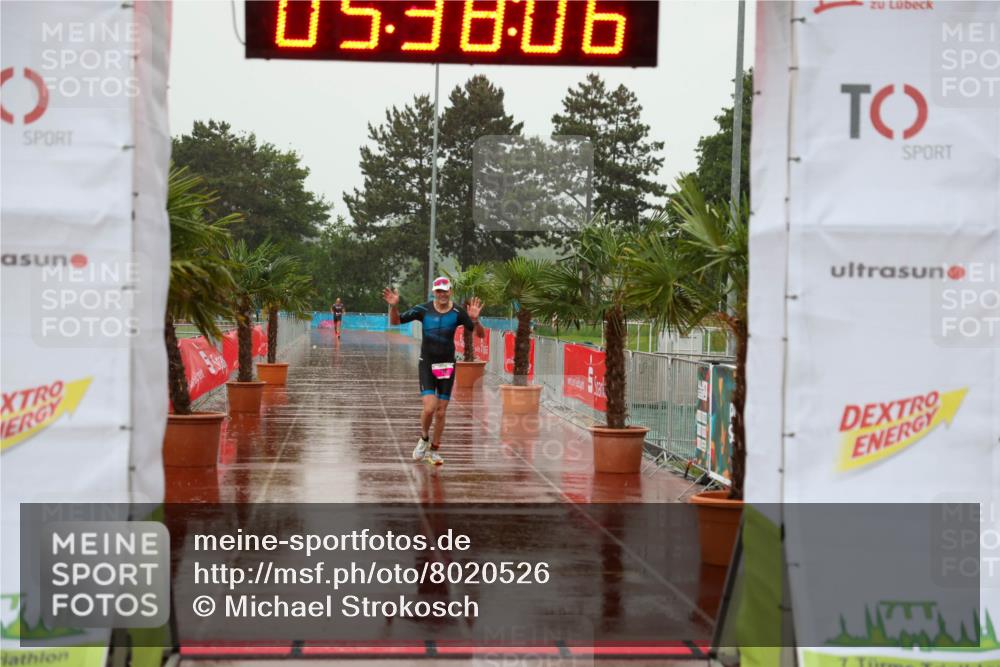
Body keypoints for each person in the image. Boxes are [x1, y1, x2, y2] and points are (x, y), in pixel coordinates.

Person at [383, 277, 485, 466]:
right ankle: (424, 438)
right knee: (430, 408)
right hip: (427, 364)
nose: (442, 294)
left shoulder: (458, 312)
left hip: (447, 365)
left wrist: (475, 320)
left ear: (450, 291)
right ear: (434, 292)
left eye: (445, 290)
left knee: (441, 412)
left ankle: (435, 450)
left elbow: (480, 334)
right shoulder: (423, 310)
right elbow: (396, 321)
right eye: (439, 291)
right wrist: (394, 306)